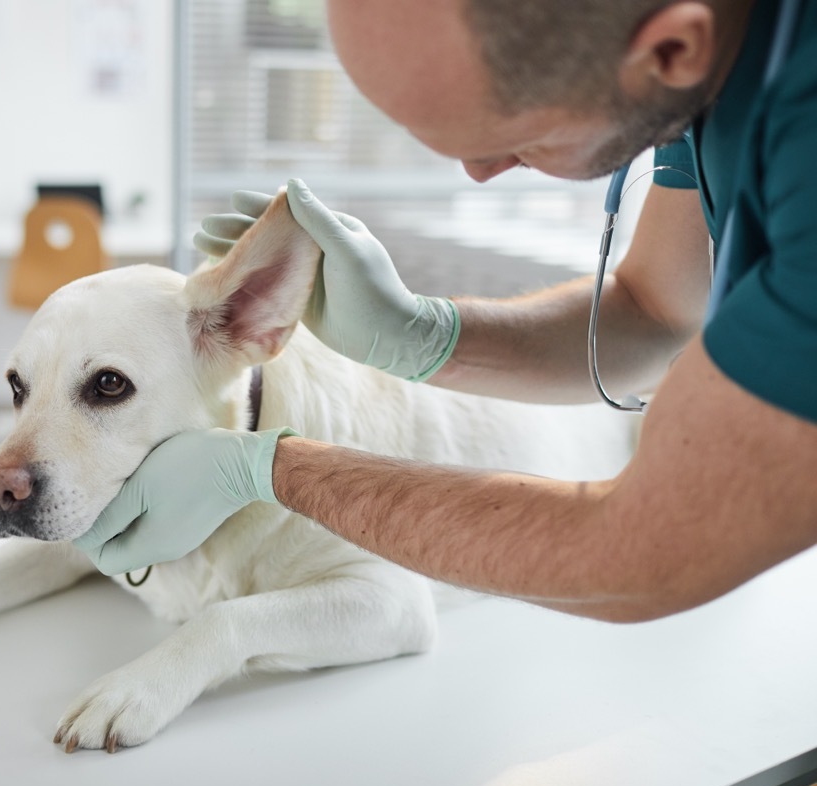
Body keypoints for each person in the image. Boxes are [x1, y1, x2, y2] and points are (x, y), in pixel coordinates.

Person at [73, 0, 817, 623]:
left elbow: (649, 550)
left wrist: (276, 471)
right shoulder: (700, 69)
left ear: (671, 48)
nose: (478, 173)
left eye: (516, 140)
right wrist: (425, 335)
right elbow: (656, 311)